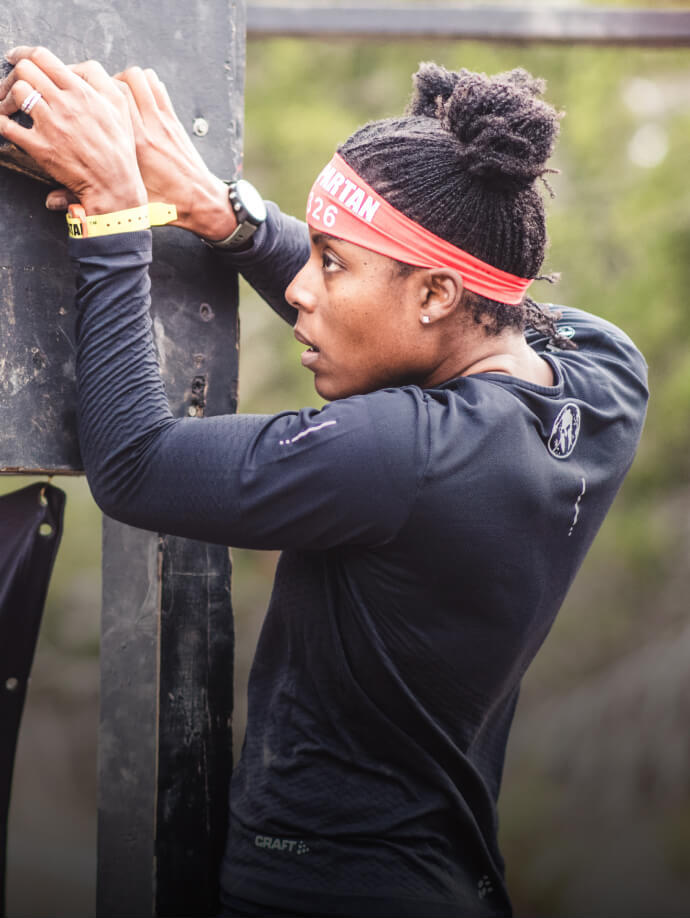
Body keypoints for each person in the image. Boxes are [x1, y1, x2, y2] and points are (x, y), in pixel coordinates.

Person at [0, 47, 648, 917]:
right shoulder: (604, 379)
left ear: (436, 295)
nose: (303, 287)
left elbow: (136, 466)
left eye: (331, 262)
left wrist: (115, 216)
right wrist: (227, 215)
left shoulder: (400, 455)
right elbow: (467, 308)